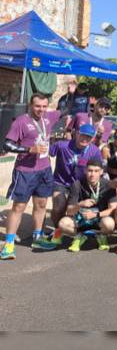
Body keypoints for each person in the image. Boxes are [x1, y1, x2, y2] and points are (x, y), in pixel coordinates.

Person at [2, 93, 63, 258]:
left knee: (42, 204)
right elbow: (7, 144)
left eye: (44, 106)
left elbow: (65, 110)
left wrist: (73, 95)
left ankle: (37, 237)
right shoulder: (21, 121)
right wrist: (29, 149)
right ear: (31, 105)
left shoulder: (48, 117)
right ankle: (9, 244)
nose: (41, 109)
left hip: (44, 169)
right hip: (25, 171)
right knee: (19, 207)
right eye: (37, 106)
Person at [47, 124, 103, 243]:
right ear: (76, 133)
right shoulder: (62, 145)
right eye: (82, 135)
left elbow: (99, 168)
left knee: (77, 208)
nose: (85, 139)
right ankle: (58, 230)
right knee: (58, 205)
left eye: (88, 137)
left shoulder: (94, 151)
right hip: (61, 182)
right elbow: (46, 153)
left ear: (92, 138)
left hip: (81, 184)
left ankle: (76, 228)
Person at [56, 159, 117, 252]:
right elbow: (69, 211)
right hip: (81, 219)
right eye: (90, 170)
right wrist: (80, 204)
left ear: (101, 172)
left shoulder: (108, 185)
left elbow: (112, 209)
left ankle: (100, 236)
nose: (92, 174)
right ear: (85, 170)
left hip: (99, 219)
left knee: (109, 224)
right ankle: (80, 236)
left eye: (96, 171)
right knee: (62, 223)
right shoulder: (77, 184)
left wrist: (96, 215)